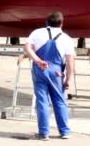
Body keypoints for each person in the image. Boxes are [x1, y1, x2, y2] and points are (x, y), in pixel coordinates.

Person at [25, 12, 75, 140]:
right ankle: (64, 132)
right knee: (59, 101)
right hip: (57, 72)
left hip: (40, 69)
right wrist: (68, 80)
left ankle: (44, 133)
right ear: (62, 23)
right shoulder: (66, 38)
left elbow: (27, 48)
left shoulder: (36, 33)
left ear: (46, 22)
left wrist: (37, 60)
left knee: (42, 101)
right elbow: (70, 62)